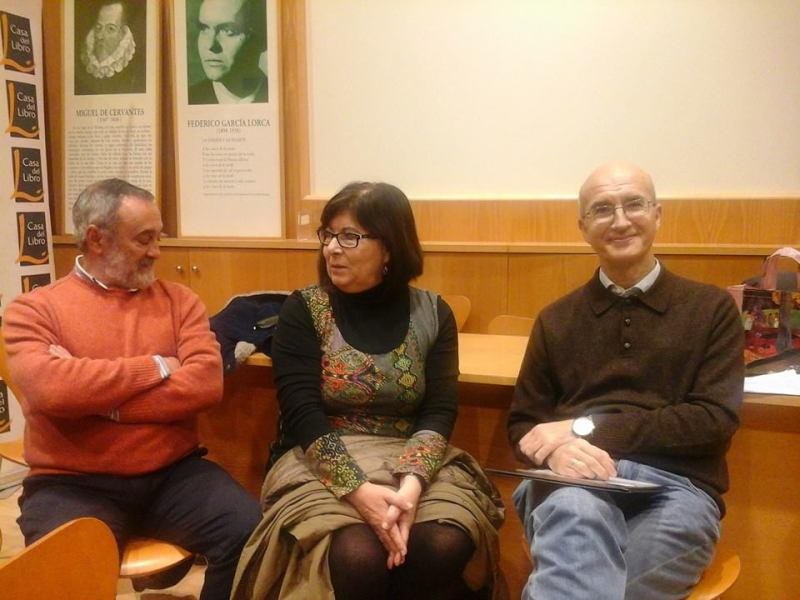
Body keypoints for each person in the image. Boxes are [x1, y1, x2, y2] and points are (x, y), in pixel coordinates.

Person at [231, 182, 504, 600]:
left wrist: (410, 487)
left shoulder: (433, 312)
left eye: (349, 237)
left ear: (389, 247)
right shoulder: (305, 309)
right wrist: (358, 491)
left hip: (411, 456)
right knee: (356, 553)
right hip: (320, 456)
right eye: (328, 234)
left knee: (443, 542)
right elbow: (302, 412)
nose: (332, 249)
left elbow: (439, 409)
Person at [3, 179, 261, 600]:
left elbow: (204, 386)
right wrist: (158, 365)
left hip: (173, 474)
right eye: (144, 239)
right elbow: (50, 391)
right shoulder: (34, 310)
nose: (156, 251)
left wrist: (101, 403)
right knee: (62, 570)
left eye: (158, 237)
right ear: (96, 239)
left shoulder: (181, 302)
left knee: (251, 533)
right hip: (71, 483)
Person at [507, 162, 744, 600]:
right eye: (602, 209)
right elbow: (524, 425)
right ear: (583, 227)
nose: (620, 221)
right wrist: (556, 451)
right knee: (573, 512)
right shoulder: (556, 319)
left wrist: (584, 428)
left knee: (581, 584)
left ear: (657, 214)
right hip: (573, 482)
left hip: (677, 489)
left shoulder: (711, 309)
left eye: (633, 204)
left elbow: (713, 419)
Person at [189, 0, 268, 104]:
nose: (210, 45)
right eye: (205, 28)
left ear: (261, 39)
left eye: (228, 31)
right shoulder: (188, 99)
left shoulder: (280, 97)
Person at [76, 0, 145, 95]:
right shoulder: (82, 62)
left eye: (110, 29)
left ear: (122, 33)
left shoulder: (139, 69)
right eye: (98, 28)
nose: (100, 36)